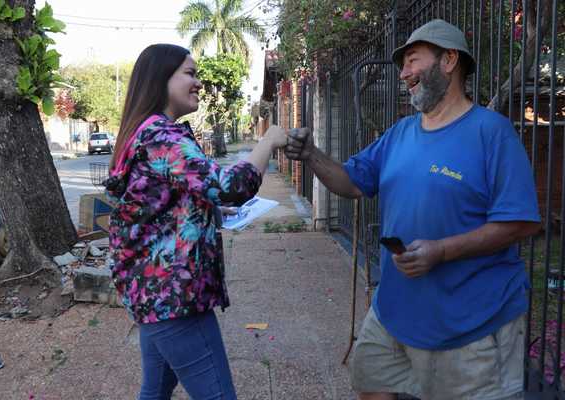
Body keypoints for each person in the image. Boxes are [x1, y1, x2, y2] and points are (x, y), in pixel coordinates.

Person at [285, 19, 540, 400]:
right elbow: (352, 182)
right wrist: (311, 155)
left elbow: (519, 223)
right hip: (395, 310)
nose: (403, 73)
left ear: (449, 60)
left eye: (411, 61)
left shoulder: (492, 133)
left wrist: (442, 251)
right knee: (369, 378)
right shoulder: (400, 133)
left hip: (471, 323)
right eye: (402, 65)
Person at [106, 44, 287, 400]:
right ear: (161, 79)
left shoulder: (145, 132)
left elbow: (164, 202)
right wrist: (268, 142)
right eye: (190, 73)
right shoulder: (162, 137)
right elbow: (230, 186)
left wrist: (207, 212)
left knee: (155, 390)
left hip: (152, 292)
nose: (199, 82)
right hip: (174, 296)